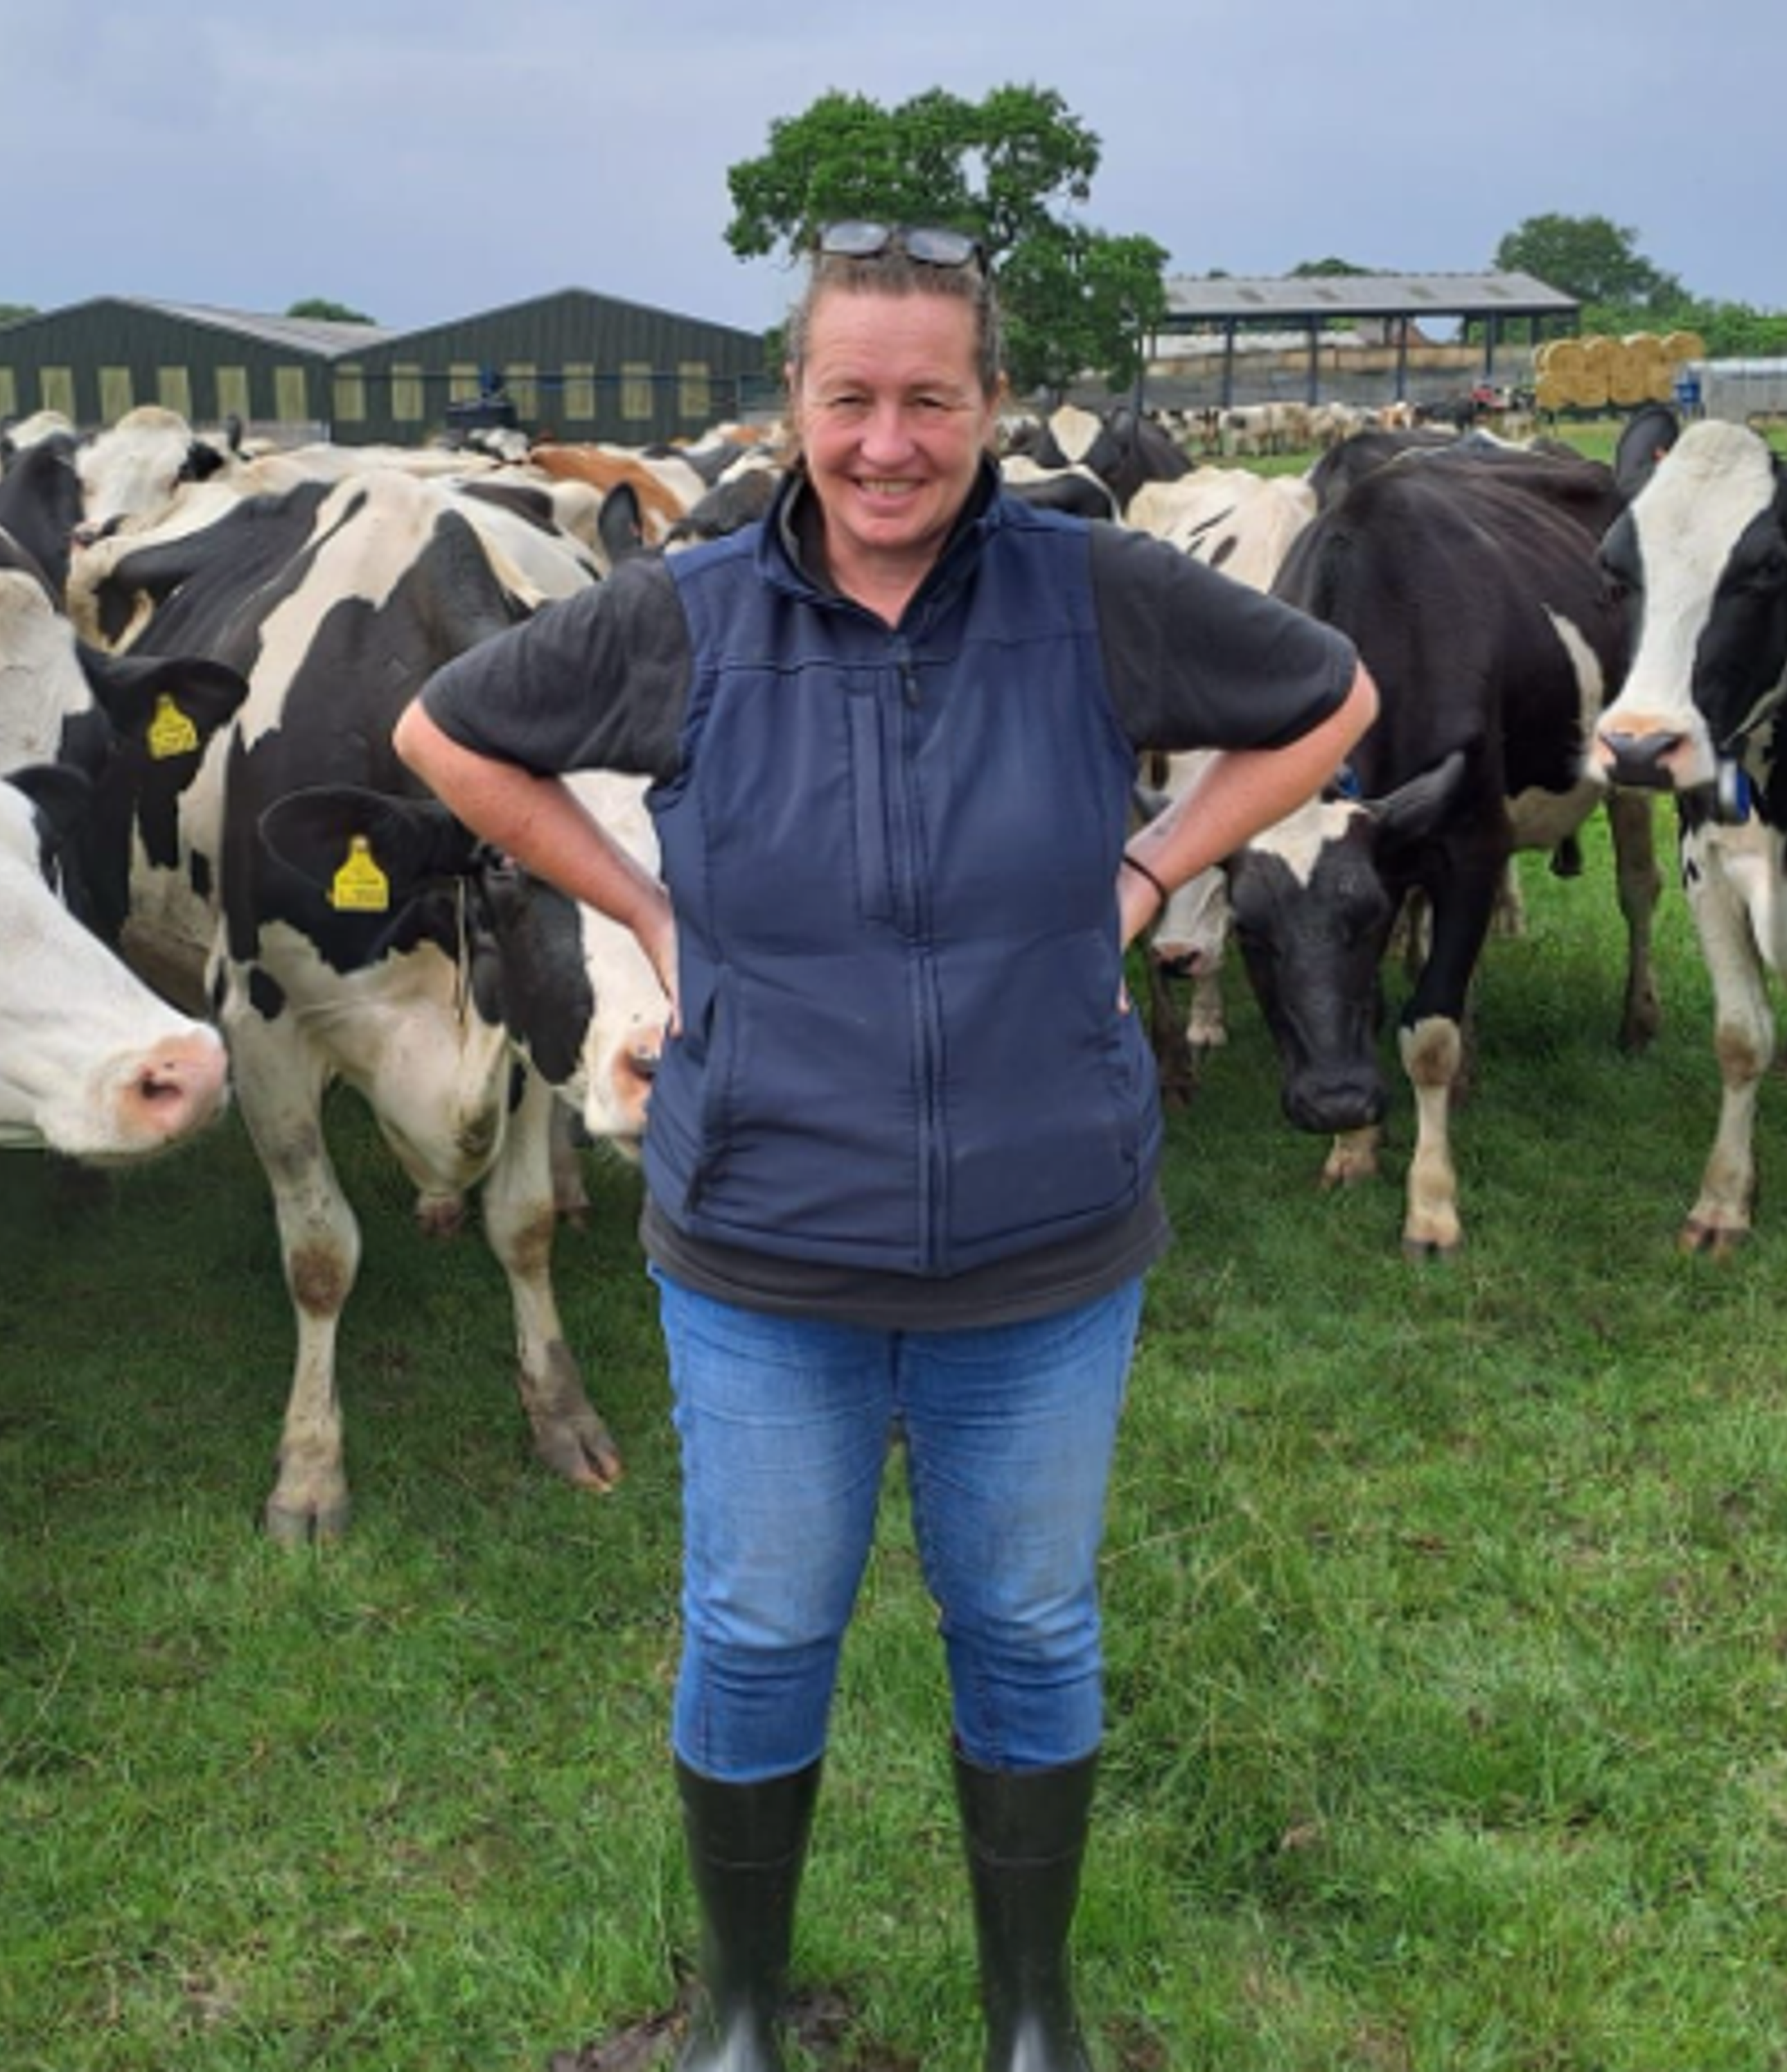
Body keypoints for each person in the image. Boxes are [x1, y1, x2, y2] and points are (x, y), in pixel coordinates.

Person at [395, 219, 1377, 2072]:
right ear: (796, 405)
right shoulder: (691, 613)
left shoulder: (1091, 591)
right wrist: (649, 911)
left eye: (932, 397)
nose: (888, 440)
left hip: (1044, 1237)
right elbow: (451, 734)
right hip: (770, 1234)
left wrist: (1152, 867)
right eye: (849, 397)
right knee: (761, 1625)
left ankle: (1034, 2019)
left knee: (1024, 1615)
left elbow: (1336, 695)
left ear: (991, 405)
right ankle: (744, 2017)